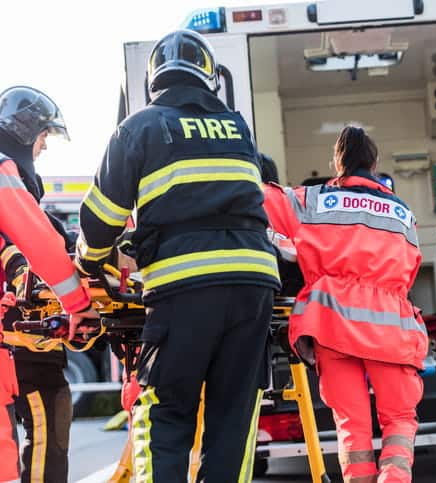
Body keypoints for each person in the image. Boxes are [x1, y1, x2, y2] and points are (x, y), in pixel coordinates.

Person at [74, 29, 280, 482]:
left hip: (184, 289)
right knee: (233, 417)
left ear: (154, 79)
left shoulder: (139, 127)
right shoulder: (238, 128)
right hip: (253, 286)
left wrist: (90, 266)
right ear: (208, 75)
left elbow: (100, 219)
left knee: (166, 411)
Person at [263, 126, 428, 483]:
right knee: (399, 419)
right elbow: (411, 265)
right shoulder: (403, 213)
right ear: (375, 162)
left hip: (331, 325)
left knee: (352, 426)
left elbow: (261, 199)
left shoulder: (312, 200)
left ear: (337, 163)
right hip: (389, 329)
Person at [0, 86, 96, 482]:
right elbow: (38, 243)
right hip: (20, 346)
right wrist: (79, 305)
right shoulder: (4, 173)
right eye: (43, 137)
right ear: (24, 132)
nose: (43, 148)